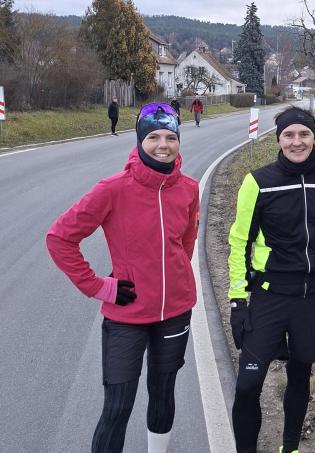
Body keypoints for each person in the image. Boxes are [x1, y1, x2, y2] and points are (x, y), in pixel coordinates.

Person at [46, 103, 199, 453]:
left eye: (171, 137)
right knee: (117, 406)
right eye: (154, 137)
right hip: (126, 314)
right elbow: (59, 238)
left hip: (175, 310)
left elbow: (187, 240)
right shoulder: (112, 189)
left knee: (163, 392)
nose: (163, 144)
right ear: (140, 140)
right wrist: (99, 286)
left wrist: (172, 279)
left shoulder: (188, 188)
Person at [228, 107, 315, 453]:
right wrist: (237, 300)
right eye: (289, 135)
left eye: (303, 134)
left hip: (313, 296)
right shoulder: (258, 182)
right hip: (268, 296)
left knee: (300, 377)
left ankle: (289, 448)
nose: (297, 142)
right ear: (278, 140)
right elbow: (239, 242)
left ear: (314, 137)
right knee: (248, 384)